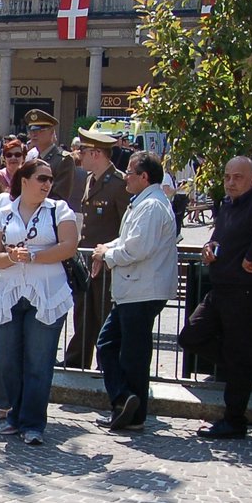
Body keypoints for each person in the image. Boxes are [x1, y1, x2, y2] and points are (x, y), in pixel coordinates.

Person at [177, 156, 252, 438]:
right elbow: (219, 238)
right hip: (221, 287)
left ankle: (234, 419)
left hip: (244, 291)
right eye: (227, 177)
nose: (230, 182)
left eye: (237, 177)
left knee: (238, 356)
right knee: (190, 336)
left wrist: (251, 255)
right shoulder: (226, 205)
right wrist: (209, 246)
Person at [0, 157, 79, 444]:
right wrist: (11, 257)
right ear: (24, 180)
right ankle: (14, 414)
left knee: (38, 360)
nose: (48, 184)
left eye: (50, 180)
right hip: (11, 292)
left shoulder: (59, 210)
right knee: (8, 357)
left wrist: (33, 255)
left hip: (46, 293)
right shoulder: (3, 213)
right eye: (42, 179)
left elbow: (68, 247)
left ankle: (32, 423)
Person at [91, 151, 179, 431]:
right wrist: (107, 248)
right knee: (109, 346)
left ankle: (131, 409)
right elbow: (128, 239)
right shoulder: (144, 203)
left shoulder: (152, 206)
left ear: (144, 177)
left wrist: (108, 255)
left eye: (129, 172)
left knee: (131, 354)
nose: (125, 176)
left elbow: (136, 248)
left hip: (142, 290)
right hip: (134, 290)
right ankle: (124, 400)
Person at [64, 128, 130, 369]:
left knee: (103, 316)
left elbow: (126, 226)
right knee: (83, 314)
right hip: (87, 260)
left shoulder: (120, 183)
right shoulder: (90, 179)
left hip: (107, 263)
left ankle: (107, 364)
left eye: (82, 150)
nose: (78, 154)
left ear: (96, 153)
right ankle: (77, 361)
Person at [24, 110, 75, 205]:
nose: (34, 134)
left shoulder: (63, 160)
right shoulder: (31, 157)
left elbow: (59, 197)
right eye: (32, 130)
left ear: (52, 132)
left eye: (40, 130)